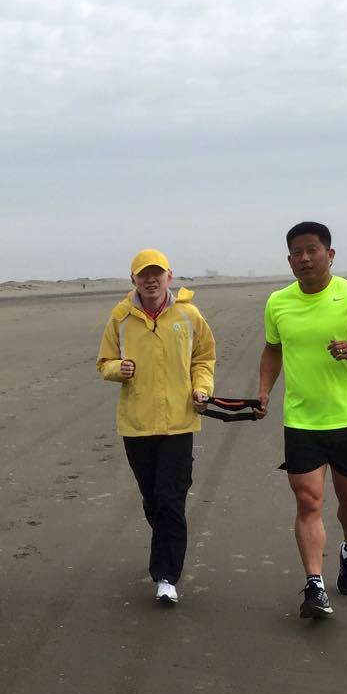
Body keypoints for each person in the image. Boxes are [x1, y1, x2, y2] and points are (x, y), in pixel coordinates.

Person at [252, 221, 347, 618]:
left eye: (312, 250)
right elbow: (272, 349)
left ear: (329, 255)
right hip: (301, 421)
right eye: (296, 253)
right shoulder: (278, 302)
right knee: (307, 501)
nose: (304, 258)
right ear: (289, 260)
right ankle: (314, 584)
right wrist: (264, 390)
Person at [97, 249, 216, 605]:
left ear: (169, 276)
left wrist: (202, 389)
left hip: (179, 422)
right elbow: (104, 362)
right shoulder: (121, 317)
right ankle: (167, 541)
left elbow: (204, 358)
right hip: (137, 424)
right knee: (152, 499)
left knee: (170, 498)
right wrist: (119, 369)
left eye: (157, 274)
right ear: (133, 280)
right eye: (143, 275)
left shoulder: (189, 315)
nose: (151, 280)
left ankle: (166, 577)